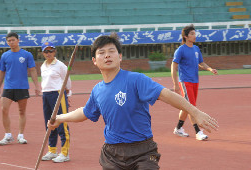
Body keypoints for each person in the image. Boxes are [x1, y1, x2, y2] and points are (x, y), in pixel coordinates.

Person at [48, 33, 218, 169]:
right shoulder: (97, 90)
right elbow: (85, 112)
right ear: (94, 61)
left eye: (111, 51)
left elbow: (165, 94)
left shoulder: (136, 79)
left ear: (120, 56)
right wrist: (59, 118)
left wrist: (194, 111)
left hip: (143, 151)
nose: (107, 55)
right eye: (101, 53)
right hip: (112, 153)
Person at [171, 24, 218, 141]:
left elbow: (201, 63)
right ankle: (198, 132)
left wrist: (210, 69)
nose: (194, 35)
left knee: (187, 107)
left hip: (195, 82)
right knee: (191, 107)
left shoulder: (196, 49)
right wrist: (176, 83)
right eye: (192, 34)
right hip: (185, 82)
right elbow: (173, 66)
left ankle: (178, 128)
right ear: (186, 36)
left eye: (194, 33)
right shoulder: (180, 50)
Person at [0, 32, 40, 145]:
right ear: (7, 42)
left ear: (18, 40)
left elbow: (33, 70)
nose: (11, 42)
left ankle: (21, 135)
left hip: (22, 87)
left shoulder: (26, 55)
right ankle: (8, 135)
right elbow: (1, 72)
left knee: (22, 111)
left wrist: (37, 86)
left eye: (13, 40)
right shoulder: (5, 55)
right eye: (9, 41)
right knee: (3, 109)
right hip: (8, 87)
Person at [40, 42, 72, 163]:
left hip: (58, 94)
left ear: (55, 52)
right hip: (46, 94)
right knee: (49, 123)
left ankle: (64, 153)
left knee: (62, 122)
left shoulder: (60, 65)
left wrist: (67, 94)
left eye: (51, 51)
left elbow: (67, 79)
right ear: (43, 53)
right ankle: (52, 150)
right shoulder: (43, 66)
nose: (48, 53)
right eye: (46, 51)